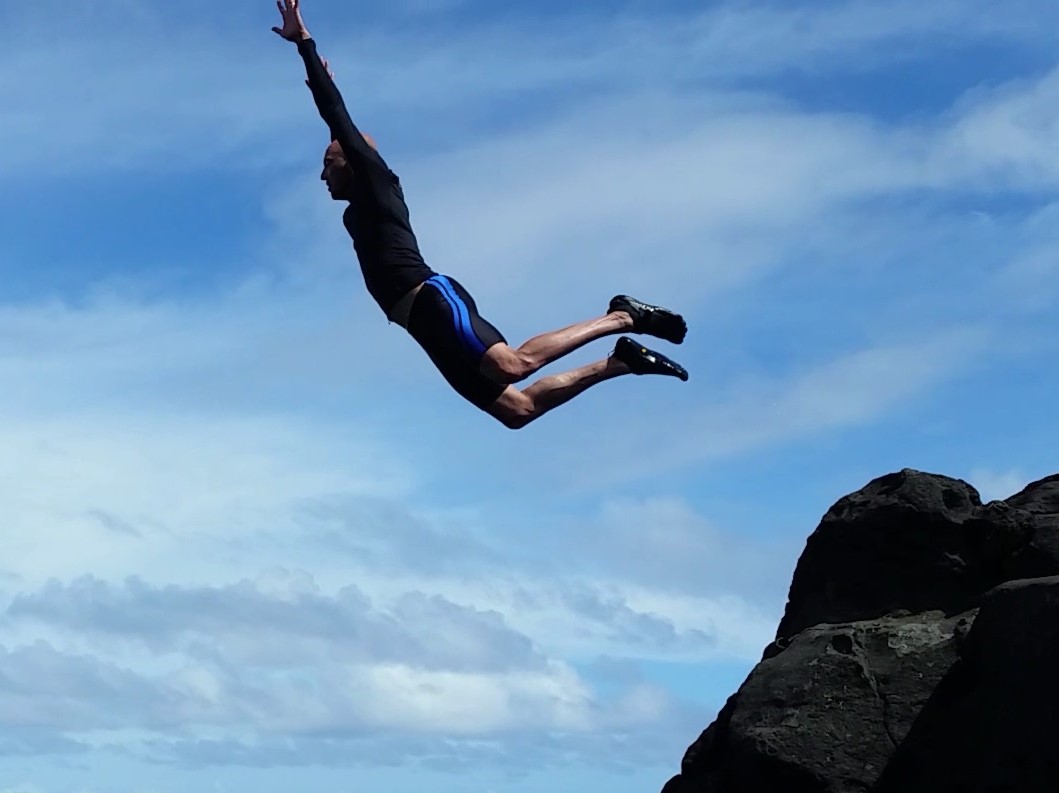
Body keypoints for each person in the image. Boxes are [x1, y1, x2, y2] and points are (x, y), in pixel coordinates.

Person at [272, 0, 690, 429]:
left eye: (328, 164)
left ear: (353, 163)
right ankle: (620, 363)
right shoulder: (361, 199)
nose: (321, 174)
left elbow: (339, 119)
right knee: (517, 410)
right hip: (418, 326)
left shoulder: (377, 181)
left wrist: (303, 44)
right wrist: (319, 84)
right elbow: (339, 130)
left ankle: (623, 316)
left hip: (431, 301)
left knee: (513, 365)